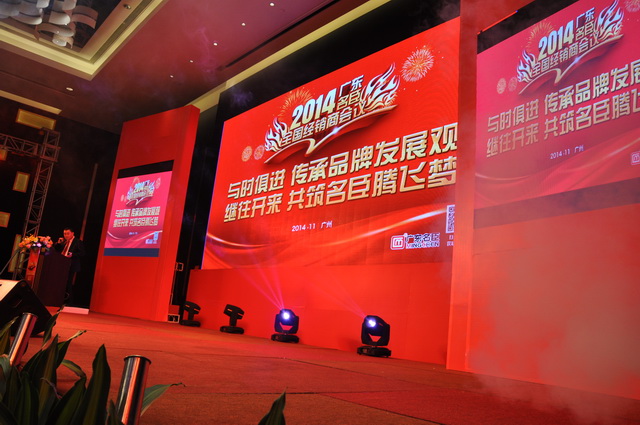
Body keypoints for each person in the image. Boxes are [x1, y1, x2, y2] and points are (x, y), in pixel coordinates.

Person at [54, 227, 85, 304]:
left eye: (68, 233)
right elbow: (56, 250)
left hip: (71, 265)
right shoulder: (63, 242)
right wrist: (58, 243)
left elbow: (82, 253)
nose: (66, 235)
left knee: (68, 283)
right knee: (59, 282)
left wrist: (72, 255)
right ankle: (59, 300)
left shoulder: (77, 242)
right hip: (61, 264)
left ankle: (69, 302)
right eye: (64, 234)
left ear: (72, 233)